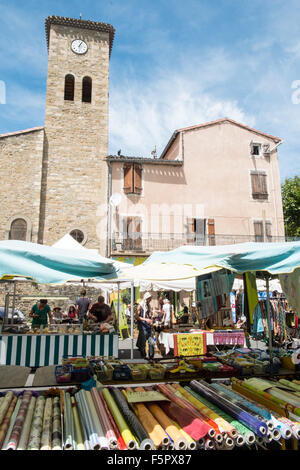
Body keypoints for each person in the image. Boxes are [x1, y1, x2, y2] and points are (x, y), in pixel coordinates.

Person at [136, 292, 154, 360]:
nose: (150, 300)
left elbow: (149, 315)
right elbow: (136, 317)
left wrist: (151, 319)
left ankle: (151, 356)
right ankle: (143, 356)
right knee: (143, 344)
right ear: (146, 298)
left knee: (151, 343)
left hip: (149, 327)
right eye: (149, 299)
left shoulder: (148, 306)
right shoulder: (140, 306)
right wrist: (146, 320)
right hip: (143, 328)